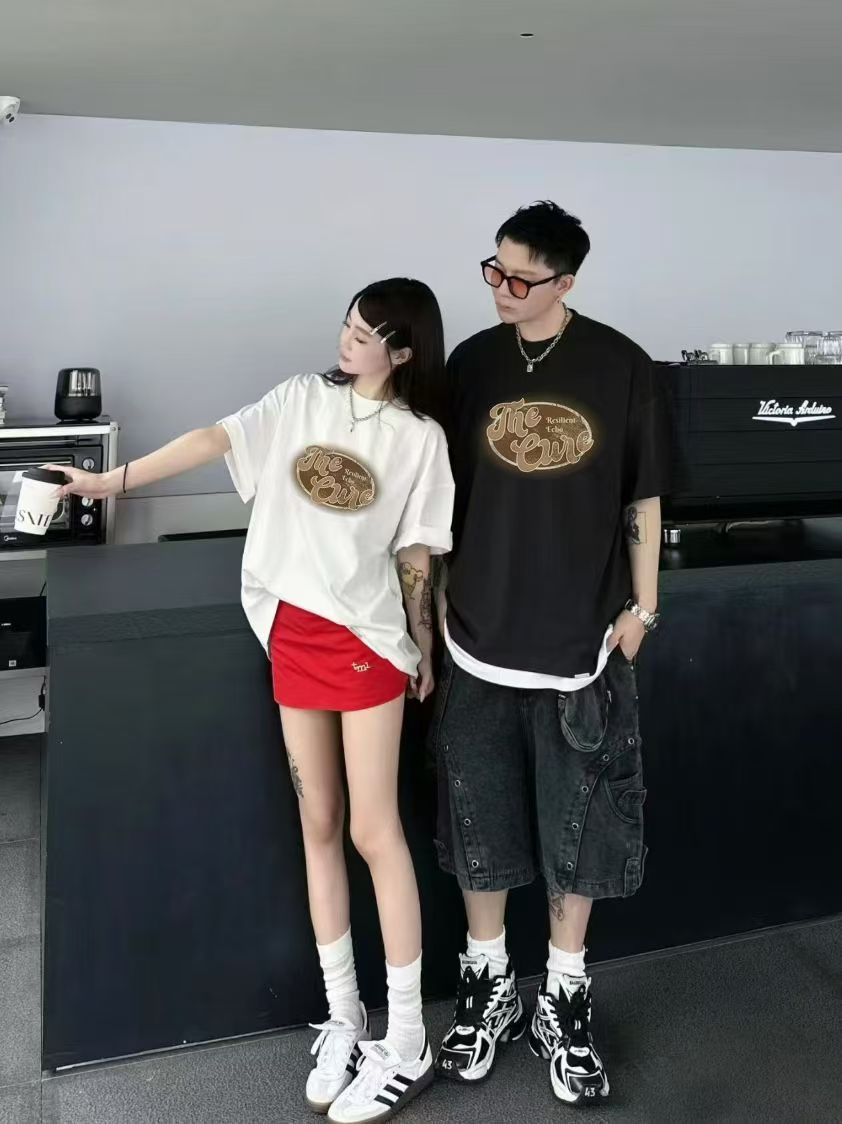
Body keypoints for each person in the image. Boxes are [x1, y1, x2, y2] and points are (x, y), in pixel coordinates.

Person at [49, 278, 455, 1124]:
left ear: (403, 350)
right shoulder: (301, 398)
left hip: (367, 644)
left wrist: (422, 640)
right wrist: (108, 483)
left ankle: (408, 1037)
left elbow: (417, 554)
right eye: (346, 325)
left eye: (365, 334)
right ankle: (346, 1017)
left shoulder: (421, 439)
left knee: (373, 831)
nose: (346, 341)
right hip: (292, 635)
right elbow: (214, 438)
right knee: (318, 824)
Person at [431, 202, 672, 1105]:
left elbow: (643, 496)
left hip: (582, 644)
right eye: (493, 270)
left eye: (522, 279)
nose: (502, 288)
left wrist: (645, 606)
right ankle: (488, 983)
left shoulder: (620, 365)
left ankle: (563, 997)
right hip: (476, 637)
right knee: (480, 824)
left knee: (582, 829)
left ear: (566, 282)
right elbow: (437, 493)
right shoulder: (471, 363)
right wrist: (430, 605)